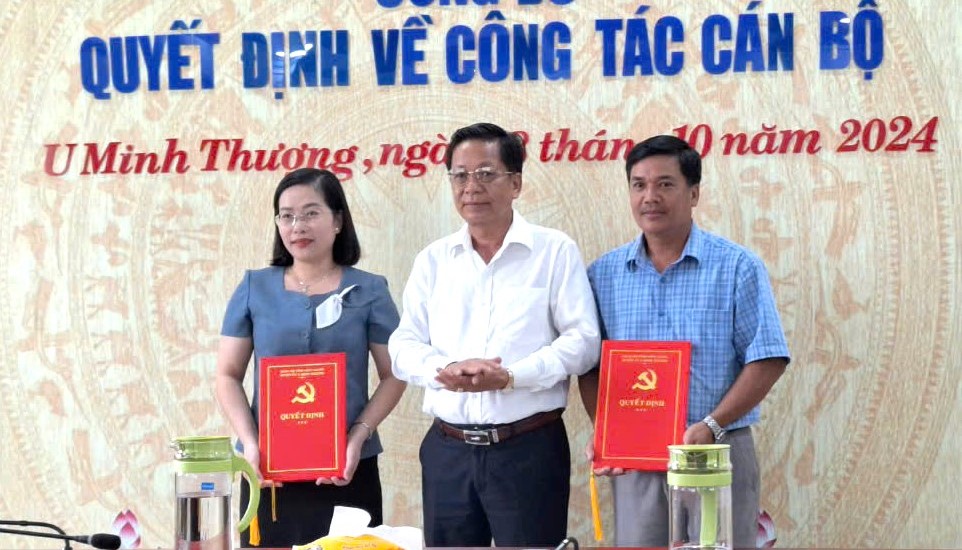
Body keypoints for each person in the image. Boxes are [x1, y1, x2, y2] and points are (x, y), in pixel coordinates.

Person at [388, 122, 601, 547]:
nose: (471, 187)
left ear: (516, 183)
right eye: (460, 175)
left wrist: (512, 377)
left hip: (528, 449)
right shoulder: (433, 260)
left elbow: (583, 342)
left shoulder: (554, 251)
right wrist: (442, 369)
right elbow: (403, 344)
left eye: (486, 174)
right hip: (448, 450)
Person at [579, 135, 790, 548]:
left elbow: (767, 357)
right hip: (637, 460)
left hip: (718, 450)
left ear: (693, 193)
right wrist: (607, 432)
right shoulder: (603, 274)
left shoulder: (736, 266)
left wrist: (712, 425)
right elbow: (590, 366)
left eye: (665, 184)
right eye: (638, 185)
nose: (650, 196)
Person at [215, 168, 407, 547]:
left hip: (349, 467)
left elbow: (395, 374)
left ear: (337, 220)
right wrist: (250, 444)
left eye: (310, 213)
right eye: (286, 215)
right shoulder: (254, 287)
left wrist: (358, 435)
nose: (297, 225)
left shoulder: (369, 289)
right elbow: (227, 374)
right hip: (268, 473)